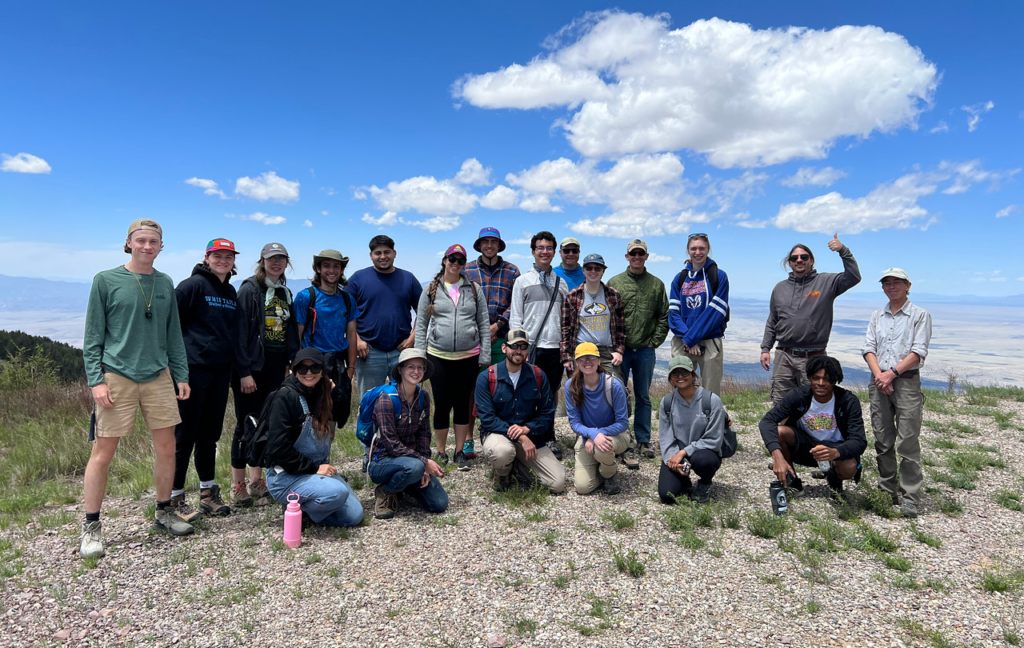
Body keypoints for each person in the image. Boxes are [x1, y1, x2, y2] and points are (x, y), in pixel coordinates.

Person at [81, 219, 194, 558]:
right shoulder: (106, 280)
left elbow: (173, 334)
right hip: (117, 375)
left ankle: (163, 512)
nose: (147, 246)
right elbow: (92, 337)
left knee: (167, 448)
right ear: (128, 243)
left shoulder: (165, 283)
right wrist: (96, 381)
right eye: (141, 240)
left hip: (158, 375)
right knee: (103, 453)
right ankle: (91, 527)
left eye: (153, 241)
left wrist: (181, 374)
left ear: (161, 246)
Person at [170, 238, 245, 521]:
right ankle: (174, 497)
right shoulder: (191, 287)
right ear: (207, 257)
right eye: (218, 255)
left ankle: (207, 493)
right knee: (184, 435)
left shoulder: (229, 291)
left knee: (209, 435)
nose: (223, 260)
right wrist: (176, 372)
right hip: (191, 371)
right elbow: (171, 328)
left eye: (228, 256)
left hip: (219, 372)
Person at [231, 242, 299, 507]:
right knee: (244, 423)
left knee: (266, 423)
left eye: (281, 259)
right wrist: (244, 372)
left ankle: (257, 481)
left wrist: (289, 363)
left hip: (275, 366)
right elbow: (239, 335)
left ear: (286, 263)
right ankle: (238, 485)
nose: (276, 263)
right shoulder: (250, 289)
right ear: (262, 261)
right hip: (252, 367)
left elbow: (288, 331)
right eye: (271, 259)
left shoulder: (284, 292)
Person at [263, 348, 364, 527]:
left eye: (315, 368)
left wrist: (334, 392)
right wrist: (314, 468)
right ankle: (293, 504)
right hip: (286, 476)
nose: (308, 373)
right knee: (338, 493)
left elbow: (342, 417)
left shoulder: (321, 394)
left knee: (354, 516)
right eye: (302, 368)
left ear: (322, 371)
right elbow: (277, 450)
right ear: (295, 370)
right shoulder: (285, 398)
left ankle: (303, 508)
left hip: (316, 473)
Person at [862, 268, 932, 518]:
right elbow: (868, 348)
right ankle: (886, 490)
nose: (891, 286)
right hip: (879, 380)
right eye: (887, 283)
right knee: (882, 437)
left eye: (896, 282)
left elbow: (918, 352)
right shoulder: (877, 316)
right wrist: (880, 376)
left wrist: (891, 374)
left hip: (906, 382)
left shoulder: (919, 315)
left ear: (907, 285)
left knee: (908, 440)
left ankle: (910, 495)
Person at [415, 244, 491, 470]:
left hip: (468, 356)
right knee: (441, 403)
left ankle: (459, 450)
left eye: (460, 260)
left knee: (462, 405)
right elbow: (421, 325)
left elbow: (484, 324)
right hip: (438, 355)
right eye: (452, 259)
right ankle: (440, 451)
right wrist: (420, 357)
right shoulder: (430, 289)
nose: (455, 263)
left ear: (464, 264)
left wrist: (484, 354)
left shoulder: (474, 289)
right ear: (444, 260)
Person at [760, 234, 861, 404]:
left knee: (815, 405)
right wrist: (765, 348)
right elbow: (773, 320)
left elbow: (854, 276)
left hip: (814, 356)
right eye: (794, 258)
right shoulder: (780, 288)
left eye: (804, 257)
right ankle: (783, 431)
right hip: (784, 355)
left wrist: (843, 250)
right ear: (790, 262)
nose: (799, 260)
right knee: (781, 404)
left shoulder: (826, 282)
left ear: (811, 260)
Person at [759, 356, 867, 497]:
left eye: (827, 379)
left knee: (849, 467)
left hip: (835, 449)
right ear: (809, 378)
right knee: (780, 432)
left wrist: (835, 452)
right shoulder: (798, 395)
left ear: (835, 380)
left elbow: (859, 441)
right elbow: (767, 421)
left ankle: (834, 479)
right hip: (807, 448)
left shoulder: (848, 401)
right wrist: (777, 456)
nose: (820, 383)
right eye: (816, 378)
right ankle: (791, 482)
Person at [476, 329, 564, 493]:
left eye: (523, 346)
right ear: (504, 348)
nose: (518, 350)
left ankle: (515, 465)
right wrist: (521, 436)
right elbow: (487, 419)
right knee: (502, 452)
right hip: (498, 434)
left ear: (528, 350)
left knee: (557, 484)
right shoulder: (487, 377)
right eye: (514, 345)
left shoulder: (538, 375)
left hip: (531, 437)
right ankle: (502, 472)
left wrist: (528, 429)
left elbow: (547, 414)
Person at [608, 238, 670, 465]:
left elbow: (664, 316)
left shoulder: (656, 284)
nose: (636, 257)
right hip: (620, 351)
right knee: (619, 395)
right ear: (627, 257)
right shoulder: (615, 282)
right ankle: (623, 439)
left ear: (646, 256)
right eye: (632, 254)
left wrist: (654, 341)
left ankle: (643, 439)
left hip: (645, 350)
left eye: (640, 254)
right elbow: (608, 316)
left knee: (643, 395)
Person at [367, 348, 449, 519]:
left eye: (420, 367)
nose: (416, 371)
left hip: (413, 463)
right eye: (410, 367)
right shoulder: (386, 399)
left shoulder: (423, 397)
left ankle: (405, 485)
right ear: (400, 370)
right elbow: (391, 444)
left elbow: (424, 435)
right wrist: (423, 462)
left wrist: (424, 464)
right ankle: (386, 491)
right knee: (415, 467)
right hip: (382, 462)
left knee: (439, 504)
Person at [509, 231, 570, 459]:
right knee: (527, 392)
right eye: (540, 248)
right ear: (533, 251)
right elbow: (516, 318)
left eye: (549, 248)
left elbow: (565, 318)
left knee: (551, 393)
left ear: (554, 252)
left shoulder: (560, 283)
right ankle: (526, 435)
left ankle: (548, 434)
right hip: (531, 347)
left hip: (555, 346)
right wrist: (519, 349)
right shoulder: (522, 282)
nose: (545, 252)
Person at [347, 235, 423, 397]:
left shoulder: (408, 279)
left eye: (387, 252)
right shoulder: (358, 279)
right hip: (369, 352)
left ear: (394, 253)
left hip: (401, 351)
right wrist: (358, 339)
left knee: (405, 400)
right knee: (369, 401)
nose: (383, 256)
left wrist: (413, 337)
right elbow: (344, 313)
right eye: (378, 253)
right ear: (371, 255)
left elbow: (424, 312)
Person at [294, 249, 360, 429]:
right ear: (318, 269)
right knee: (311, 414)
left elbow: (352, 334)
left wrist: (351, 368)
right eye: (326, 266)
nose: (331, 270)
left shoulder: (347, 300)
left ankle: (324, 455)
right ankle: (309, 456)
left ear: (341, 270)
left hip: (338, 363)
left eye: (336, 266)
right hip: (311, 364)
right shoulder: (306, 297)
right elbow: (297, 334)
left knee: (333, 414)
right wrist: (296, 366)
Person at [657, 356, 726, 504]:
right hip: (677, 452)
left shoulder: (712, 400)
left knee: (704, 461)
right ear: (670, 378)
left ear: (693, 375)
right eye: (675, 373)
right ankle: (684, 479)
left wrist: (684, 451)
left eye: (684, 372)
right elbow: (665, 436)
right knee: (667, 495)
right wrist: (672, 461)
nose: (680, 377)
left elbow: (714, 439)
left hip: (704, 452)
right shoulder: (667, 402)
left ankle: (705, 483)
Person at [669, 233, 730, 395]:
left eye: (702, 248)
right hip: (683, 340)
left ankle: (712, 420)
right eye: (694, 248)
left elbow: (714, 314)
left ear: (708, 249)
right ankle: (682, 420)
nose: (698, 252)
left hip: (709, 341)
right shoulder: (680, 279)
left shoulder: (718, 276)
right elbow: (673, 315)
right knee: (680, 388)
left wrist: (691, 339)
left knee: (711, 392)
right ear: (688, 251)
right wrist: (689, 340)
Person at [566, 343, 630, 495]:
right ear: (576, 362)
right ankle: (601, 467)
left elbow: (622, 423)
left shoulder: (613, 384)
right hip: (588, 438)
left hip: (616, 436)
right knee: (582, 487)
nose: (587, 361)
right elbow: (574, 423)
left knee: (601, 448)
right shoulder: (571, 386)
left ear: (599, 360)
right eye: (582, 358)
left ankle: (609, 473)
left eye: (591, 357)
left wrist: (596, 435)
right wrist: (593, 435)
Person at [560, 253, 625, 378]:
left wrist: (618, 351)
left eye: (597, 268)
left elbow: (621, 327)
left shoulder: (613, 295)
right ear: (583, 271)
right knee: (577, 390)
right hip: (580, 351)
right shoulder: (572, 296)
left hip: (606, 352)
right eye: (589, 268)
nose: (593, 271)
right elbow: (565, 329)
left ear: (603, 271)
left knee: (616, 387)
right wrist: (566, 356)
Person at [464, 227, 520, 368]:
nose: (489, 245)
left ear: (499, 245)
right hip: (474, 339)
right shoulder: (467, 270)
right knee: (474, 385)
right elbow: (462, 304)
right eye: (485, 241)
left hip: (502, 338)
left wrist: (497, 326)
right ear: (479, 245)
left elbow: (517, 303)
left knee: (500, 382)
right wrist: (484, 330)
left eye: (494, 241)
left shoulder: (512, 271)